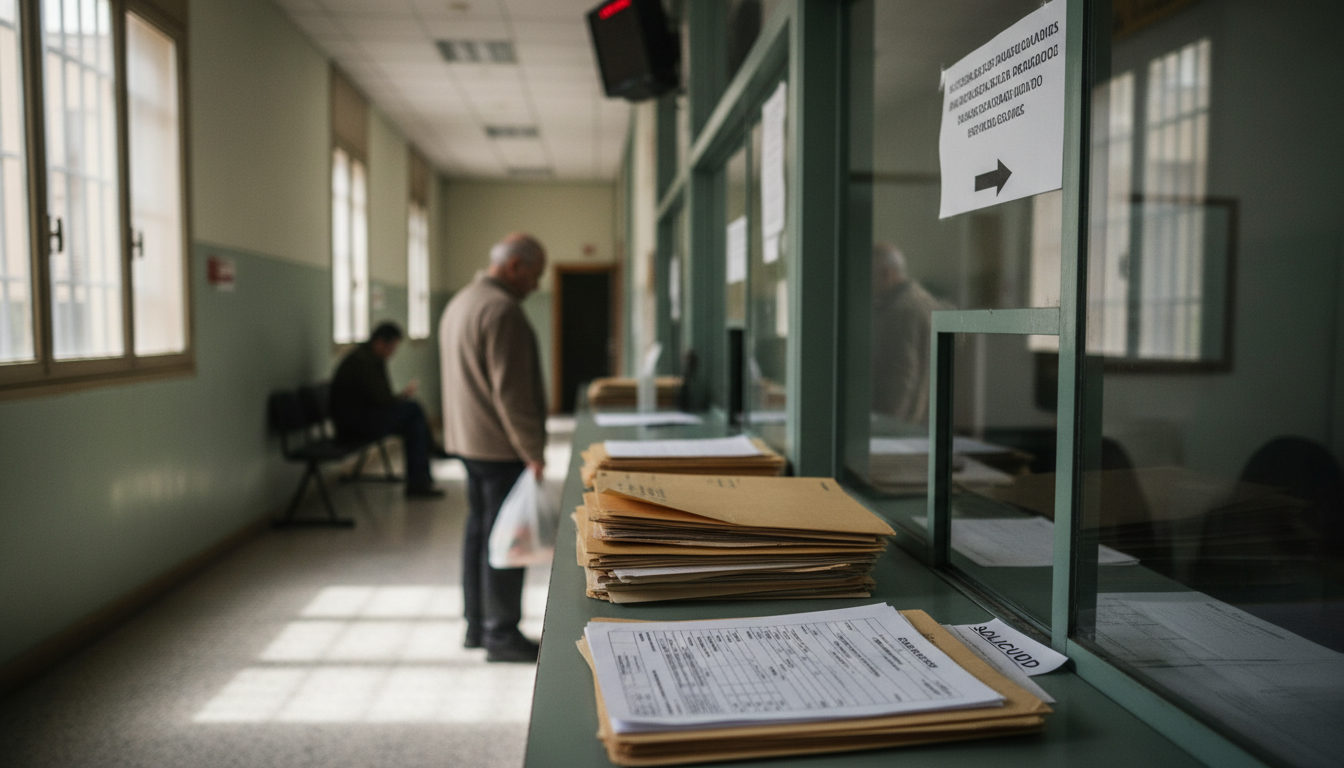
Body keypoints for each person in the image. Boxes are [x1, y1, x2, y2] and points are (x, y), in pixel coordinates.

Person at [439, 232, 548, 663]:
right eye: (535, 275)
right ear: (515, 266)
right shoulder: (503, 311)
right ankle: (501, 633)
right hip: (499, 446)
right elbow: (513, 394)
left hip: (469, 441)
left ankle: (476, 625)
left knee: (480, 534)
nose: (536, 286)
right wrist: (533, 451)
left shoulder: (463, 301)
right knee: (507, 541)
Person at [329, 321, 443, 498]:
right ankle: (423, 472)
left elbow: (381, 398)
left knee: (413, 418)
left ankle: (421, 476)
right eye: (392, 348)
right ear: (380, 342)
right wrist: (401, 398)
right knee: (413, 412)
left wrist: (399, 398)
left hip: (362, 417)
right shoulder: (363, 362)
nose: (392, 353)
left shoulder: (371, 358)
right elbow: (381, 400)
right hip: (354, 425)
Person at [870, 242, 945, 425]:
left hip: (903, 424)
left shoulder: (901, 311)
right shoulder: (923, 300)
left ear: (886, 273)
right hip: (924, 421)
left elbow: (902, 377)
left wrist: (888, 426)